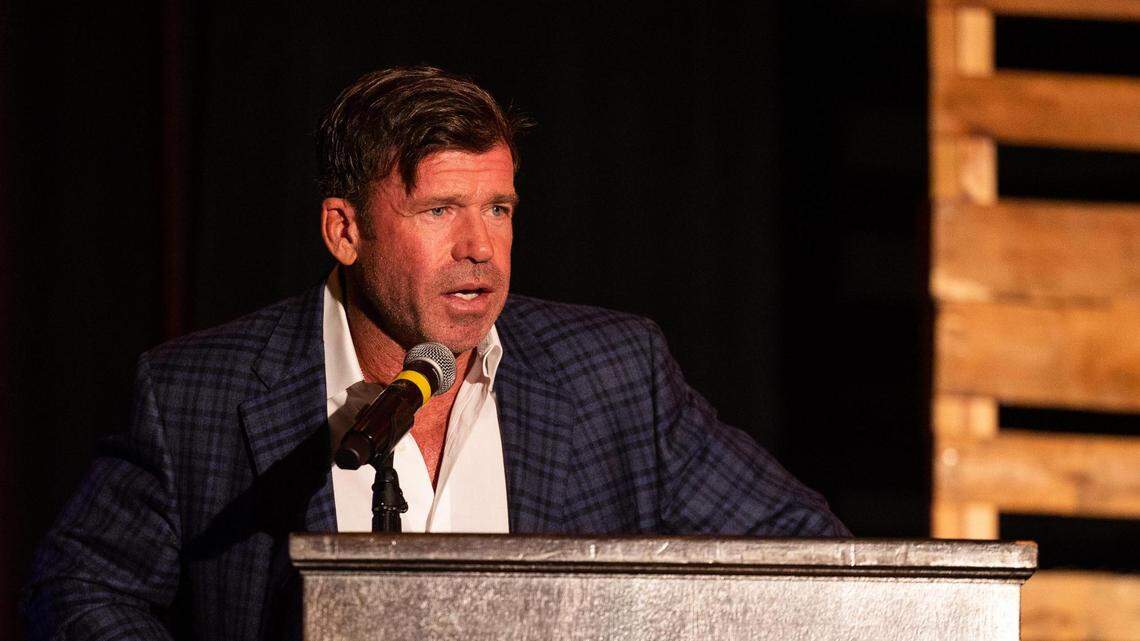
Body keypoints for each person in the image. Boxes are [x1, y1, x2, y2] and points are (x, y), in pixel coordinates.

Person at [24, 66, 847, 640]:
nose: (480, 247)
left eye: (498, 207)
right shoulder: (194, 393)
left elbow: (805, 555)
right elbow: (79, 588)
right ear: (345, 230)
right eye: (439, 209)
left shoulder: (615, 373)